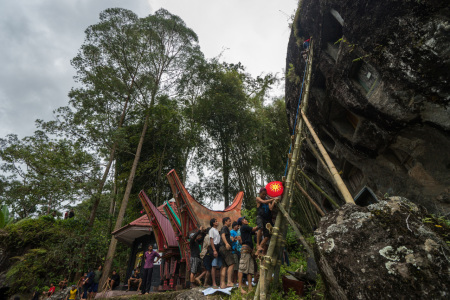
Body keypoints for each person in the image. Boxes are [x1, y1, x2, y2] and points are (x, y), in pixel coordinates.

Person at [237, 216, 259, 294]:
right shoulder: (244, 227)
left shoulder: (246, 230)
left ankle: (250, 287)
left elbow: (255, 232)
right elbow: (254, 229)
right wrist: (260, 224)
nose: (246, 220)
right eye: (244, 219)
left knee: (250, 269)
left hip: (249, 251)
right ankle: (239, 287)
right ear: (242, 222)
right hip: (245, 250)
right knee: (242, 268)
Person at [256, 188, 278, 254]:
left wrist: (274, 201)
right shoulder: (258, 198)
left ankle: (260, 247)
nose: (264, 195)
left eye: (265, 194)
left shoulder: (267, 200)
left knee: (267, 236)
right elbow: (264, 202)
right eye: (263, 194)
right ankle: (257, 244)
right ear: (260, 193)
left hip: (266, 219)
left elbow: (271, 208)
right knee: (260, 227)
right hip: (260, 217)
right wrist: (273, 199)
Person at [218, 217, 235, 288]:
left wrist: (232, 240)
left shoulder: (225, 229)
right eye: (229, 221)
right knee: (231, 264)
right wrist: (227, 243)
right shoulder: (225, 228)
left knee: (224, 266)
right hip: (225, 248)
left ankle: (222, 284)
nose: (230, 223)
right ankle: (229, 282)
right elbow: (223, 235)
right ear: (225, 222)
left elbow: (226, 237)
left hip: (221, 248)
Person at [209, 218, 221, 288]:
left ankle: (218, 281)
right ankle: (214, 283)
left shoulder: (216, 230)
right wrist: (214, 250)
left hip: (218, 247)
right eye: (216, 221)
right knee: (214, 266)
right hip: (214, 247)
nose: (217, 222)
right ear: (213, 223)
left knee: (219, 265)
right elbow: (211, 240)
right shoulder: (211, 230)